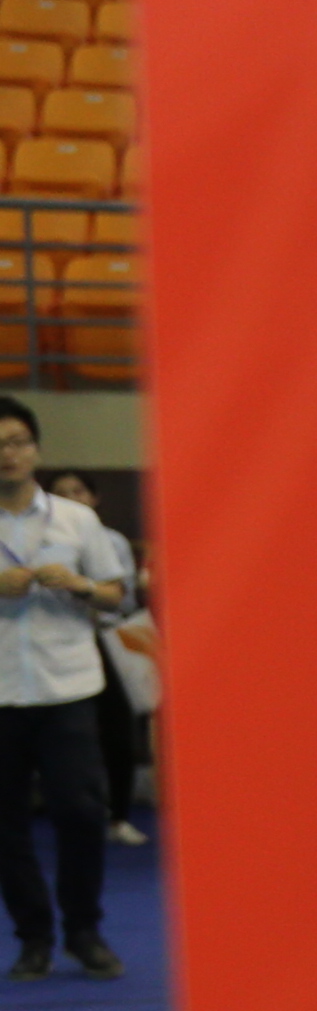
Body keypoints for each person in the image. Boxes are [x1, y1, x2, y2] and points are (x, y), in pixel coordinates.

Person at [0, 395, 132, 978]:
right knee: (5, 825)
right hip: (2, 693)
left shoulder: (77, 520)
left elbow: (117, 596)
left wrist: (80, 586)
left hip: (69, 688)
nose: (7, 454)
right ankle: (33, 937)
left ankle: (83, 929)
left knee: (80, 812)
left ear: (36, 449)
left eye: (17, 442)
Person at [43, 471, 143, 844]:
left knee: (118, 731)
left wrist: (82, 588)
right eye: (61, 494)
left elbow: (124, 598)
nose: (71, 499)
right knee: (60, 736)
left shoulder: (111, 540)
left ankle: (119, 817)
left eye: (78, 491)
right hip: (56, 645)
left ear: (94, 497)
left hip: (106, 640)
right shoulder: (42, 539)